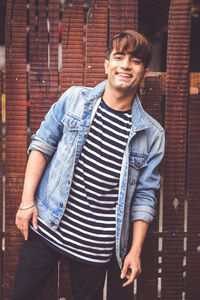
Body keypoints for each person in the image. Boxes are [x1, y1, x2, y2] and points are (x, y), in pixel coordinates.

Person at [13, 30, 165, 300]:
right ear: (107, 65)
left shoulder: (152, 134)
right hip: (47, 225)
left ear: (144, 71)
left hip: (96, 248)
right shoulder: (74, 100)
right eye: (119, 57)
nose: (126, 65)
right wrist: (27, 202)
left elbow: (145, 196)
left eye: (136, 60)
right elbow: (41, 145)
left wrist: (135, 250)